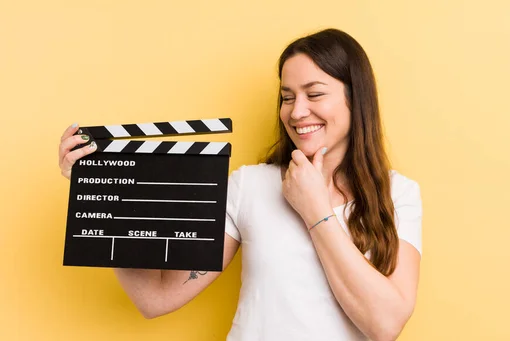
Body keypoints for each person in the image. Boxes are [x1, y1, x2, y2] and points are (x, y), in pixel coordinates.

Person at [58, 28, 422, 341]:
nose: (296, 112)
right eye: (287, 96)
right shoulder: (249, 186)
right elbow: (156, 298)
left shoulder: (399, 195)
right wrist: (99, 198)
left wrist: (315, 210)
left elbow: (385, 325)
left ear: (356, 99)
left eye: (314, 94)